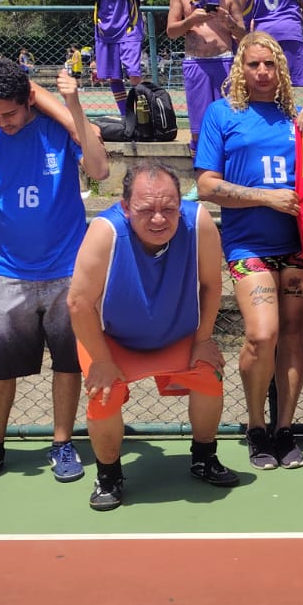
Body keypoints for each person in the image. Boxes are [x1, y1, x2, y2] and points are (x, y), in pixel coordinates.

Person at [0, 59, 108, 488]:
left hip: (68, 269)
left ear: (29, 99)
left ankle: (62, 442)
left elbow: (99, 170)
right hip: (9, 272)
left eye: (9, 113)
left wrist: (72, 103)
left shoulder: (55, 130)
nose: (2, 122)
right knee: (2, 368)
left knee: (68, 365)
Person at [65, 160, 238, 510]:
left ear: (181, 203)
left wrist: (203, 338)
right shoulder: (105, 231)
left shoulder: (199, 221)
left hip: (178, 335)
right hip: (112, 340)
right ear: (126, 207)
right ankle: (109, 475)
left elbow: (212, 284)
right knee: (103, 393)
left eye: (169, 209)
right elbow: (78, 304)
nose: (159, 218)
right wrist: (100, 360)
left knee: (210, 374)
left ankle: (204, 456)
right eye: (146, 210)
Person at [193, 34, 303, 472]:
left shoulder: (298, 117)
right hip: (249, 246)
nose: (262, 72)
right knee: (261, 334)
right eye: (253, 65)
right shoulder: (222, 113)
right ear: (240, 70)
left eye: (269, 65)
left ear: (280, 69)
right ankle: (255, 425)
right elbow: (207, 186)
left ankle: (285, 429)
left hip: (298, 246)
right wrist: (267, 198)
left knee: (291, 336)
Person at [167, 0, 246, 156]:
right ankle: (199, 175)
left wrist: (229, 22)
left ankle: (228, 172)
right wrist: (190, 20)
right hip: (196, 63)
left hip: (225, 62)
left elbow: (243, 35)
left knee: (229, 122)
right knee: (198, 127)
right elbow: (171, 31)